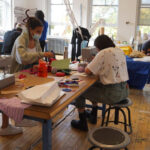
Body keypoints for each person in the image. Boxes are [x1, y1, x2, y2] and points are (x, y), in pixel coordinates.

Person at [71, 35, 129, 131]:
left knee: (79, 92)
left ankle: (82, 123)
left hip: (112, 95)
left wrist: (88, 64)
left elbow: (88, 71)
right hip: (125, 91)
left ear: (98, 46)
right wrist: (96, 60)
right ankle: (93, 115)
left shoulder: (103, 53)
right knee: (94, 85)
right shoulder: (119, 51)